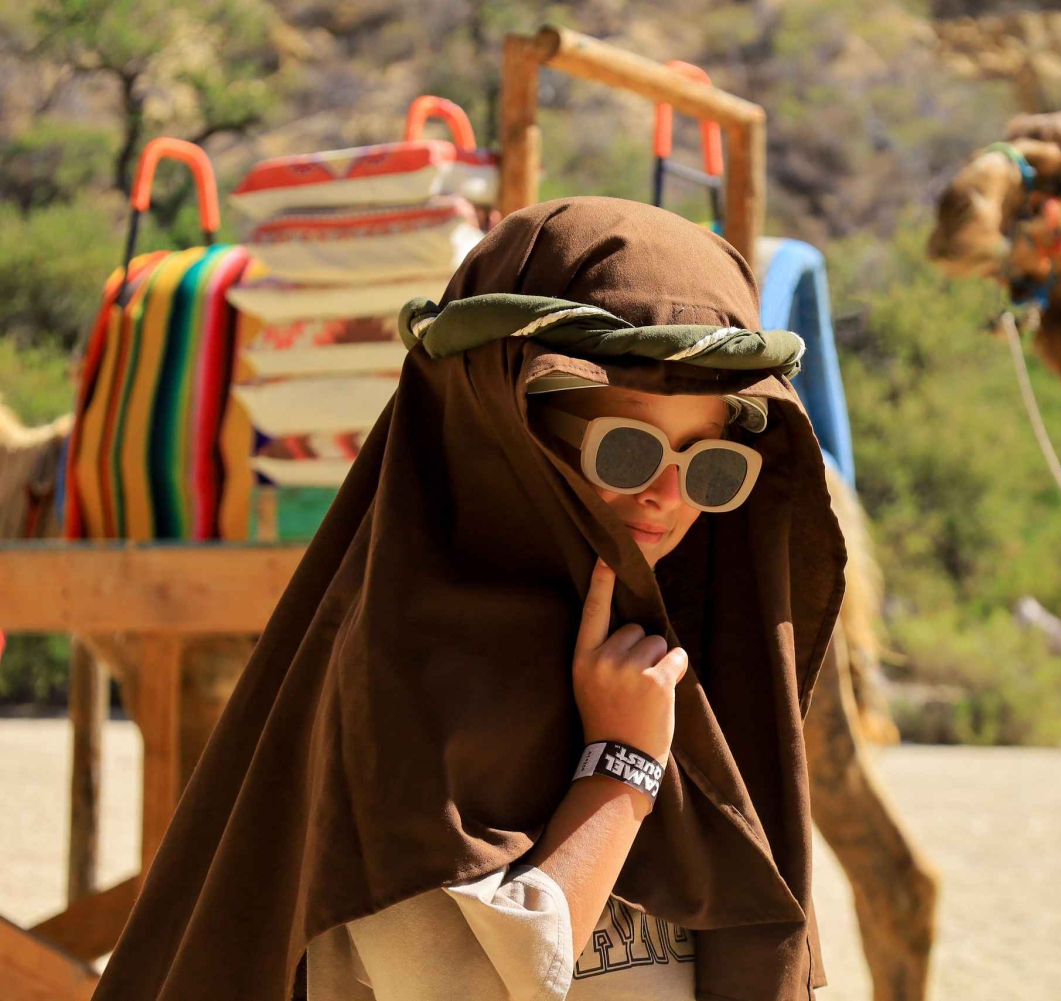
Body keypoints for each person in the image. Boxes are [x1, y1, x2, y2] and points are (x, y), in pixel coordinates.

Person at [92, 197, 846, 1001]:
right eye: (628, 449)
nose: (668, 495)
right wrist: (621, 771)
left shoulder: (681, 666)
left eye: (711, 467)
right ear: (500, 428)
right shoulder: (404, 684)